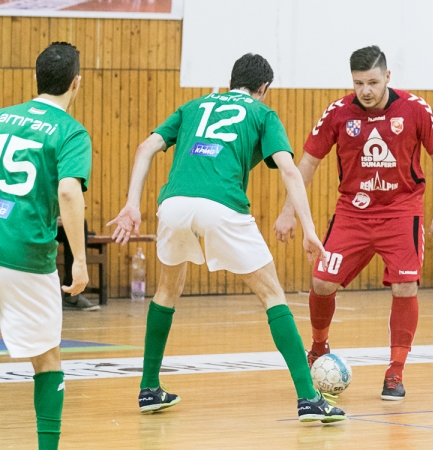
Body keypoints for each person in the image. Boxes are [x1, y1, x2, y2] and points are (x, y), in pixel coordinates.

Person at [107, 53, 346, 423]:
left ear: (232, 79)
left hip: (173, 203)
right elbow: (289, 170)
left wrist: (131, 205)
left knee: (166, 292)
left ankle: (149, 388)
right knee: (272, 295)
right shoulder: (262, 113)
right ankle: (309, 399)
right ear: (263, 88)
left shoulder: (192, 105)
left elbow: (145, 148)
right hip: (221, 206)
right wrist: (311, 229)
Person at [274, 45, 433, 400]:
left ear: (388, 77)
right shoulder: (338, 113)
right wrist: (287, 211)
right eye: (359, 83)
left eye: (373, 82)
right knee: (322, 282)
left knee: (406, 288)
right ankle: (319, 347)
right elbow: (306, 162)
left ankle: (395, 371)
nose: (366, 91)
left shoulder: (416, 109)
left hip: (402, 212)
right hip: (352, 214)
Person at [0, 42, 90, 450]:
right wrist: (80, 262)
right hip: (25, 256)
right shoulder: (71, 131)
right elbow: (69, 192)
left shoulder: (3, 118)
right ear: (76, 83)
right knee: (47, 359)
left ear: (34, 79)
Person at [56, 217, 98, 310]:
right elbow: (15, 206)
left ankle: (71, 295)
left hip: (51, 223)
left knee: (79, 222)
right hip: (30, 223)